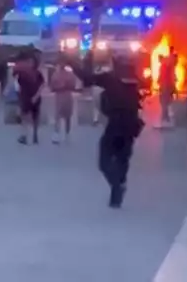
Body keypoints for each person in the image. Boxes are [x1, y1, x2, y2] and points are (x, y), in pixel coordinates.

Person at [71, 54, 145, 207]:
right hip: (131, 125)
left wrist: (73, 64)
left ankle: (117, 187)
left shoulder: (110, 78)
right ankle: (118, 188)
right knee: (122, 158)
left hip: (116, 123)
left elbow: (87, 79)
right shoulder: (135, 80)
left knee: (104, 161)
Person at [15, 53, 45, 145]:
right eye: (29, 62)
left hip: (35, 96)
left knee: (35, 117)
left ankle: (35, 134)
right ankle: (24, 135)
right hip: (25, 96)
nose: (30, 63)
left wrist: (36, 96)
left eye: (31, 62)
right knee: (24, 116)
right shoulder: (23, 73)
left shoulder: (38, 74)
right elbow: (18, 84)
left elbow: (42, 85)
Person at [49, 62, 79, 144]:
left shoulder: (66, 74)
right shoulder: (57, 74)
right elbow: (52, 87)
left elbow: (73, 85)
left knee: (66, 116)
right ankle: (59, 133)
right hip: (62, 96)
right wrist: (61, 86)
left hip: (64, 96)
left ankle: (64, 133)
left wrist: (62, 86)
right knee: (60, 116)